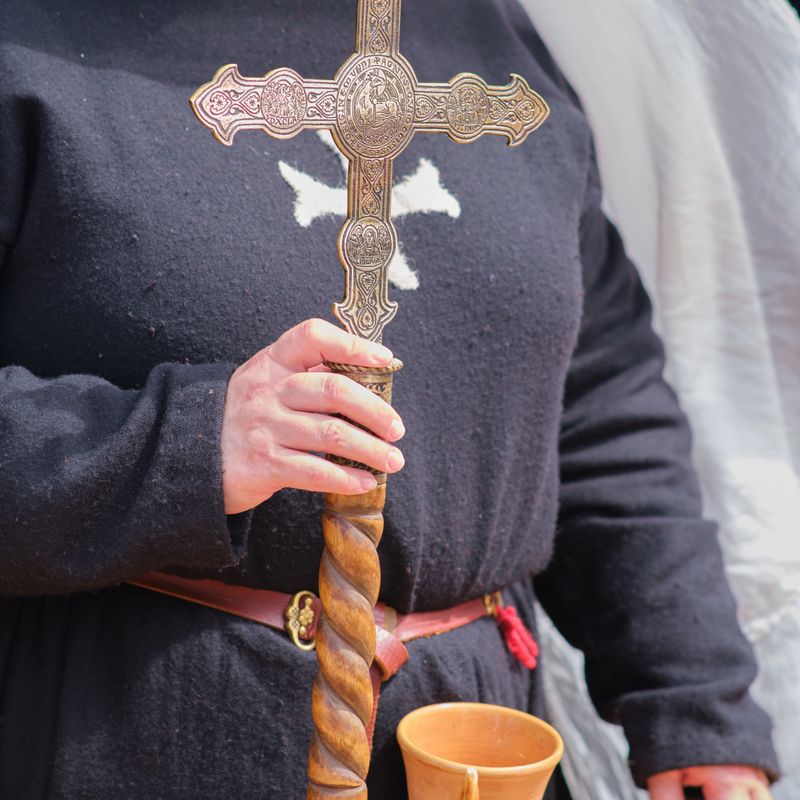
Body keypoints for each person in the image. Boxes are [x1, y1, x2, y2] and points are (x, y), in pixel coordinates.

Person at [0, 1, 780, 798]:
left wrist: (690, 689)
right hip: (127, 728)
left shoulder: (498, 47)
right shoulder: (28, 43)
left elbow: (596, 404)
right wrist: (184, 445)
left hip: (469, 744)